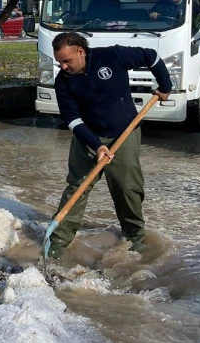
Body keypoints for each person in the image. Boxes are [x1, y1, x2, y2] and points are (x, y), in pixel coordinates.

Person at [48, 31, 172, 259]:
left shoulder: (112, 56)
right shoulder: (63, 82)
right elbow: (72, 119)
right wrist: (96, 146)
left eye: (67, 61)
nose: (63, 67)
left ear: (80, 51)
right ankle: (58, 241)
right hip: (88, 138)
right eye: (59, 62)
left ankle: (135, 237)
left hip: (123, 134)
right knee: (77, 187)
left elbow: (151, 57)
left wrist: (165, 85)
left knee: (127, 188)